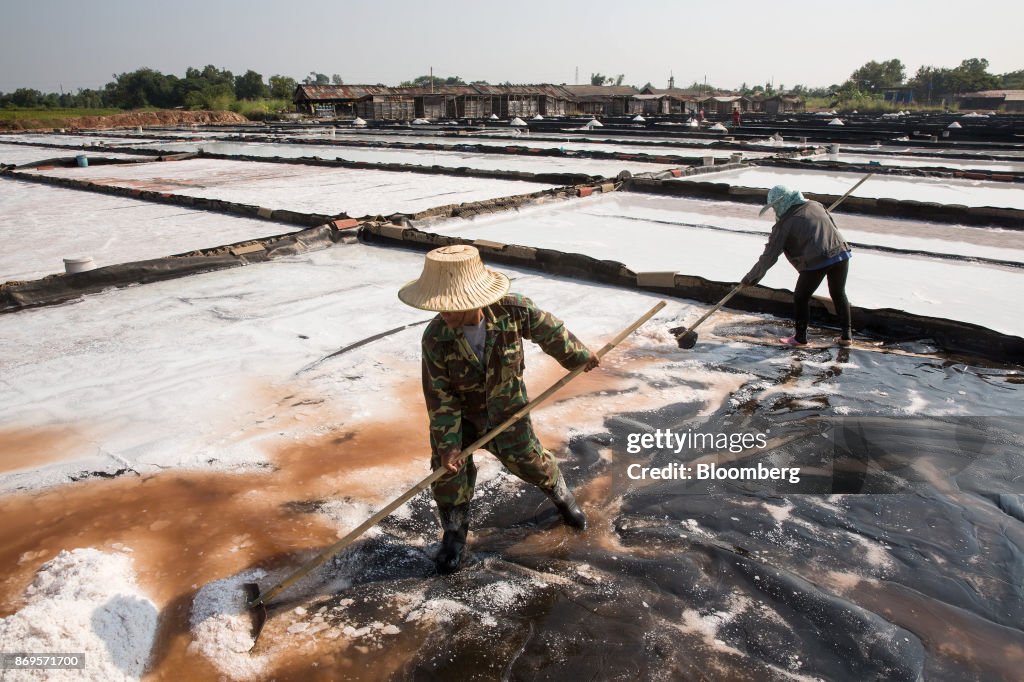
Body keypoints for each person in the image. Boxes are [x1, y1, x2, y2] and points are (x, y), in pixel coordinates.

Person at [398, 244, 599, 574]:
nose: (442, 313)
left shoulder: (513, 310)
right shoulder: (435, 338)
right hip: (460, 420)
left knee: (532, 462)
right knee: (449, 477)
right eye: (438, 307)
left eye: (449, 306)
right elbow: (440, 396)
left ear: (472, 300)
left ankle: (564, 500)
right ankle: (454, 535)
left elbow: (550, 330)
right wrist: (449, 446)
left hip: (508, 411)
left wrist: (577, 356)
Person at [741, 185, 853, 347]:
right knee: (838, 292)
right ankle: (846, 336)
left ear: (783, 202)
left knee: (801, 297)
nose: (775, 210)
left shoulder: (785, 224)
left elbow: (769, 256)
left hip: (817, 260)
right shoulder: (815, 205)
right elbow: (831, 227)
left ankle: (800, 338)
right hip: (841, 253)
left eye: (776, 206)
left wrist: (751, 278)